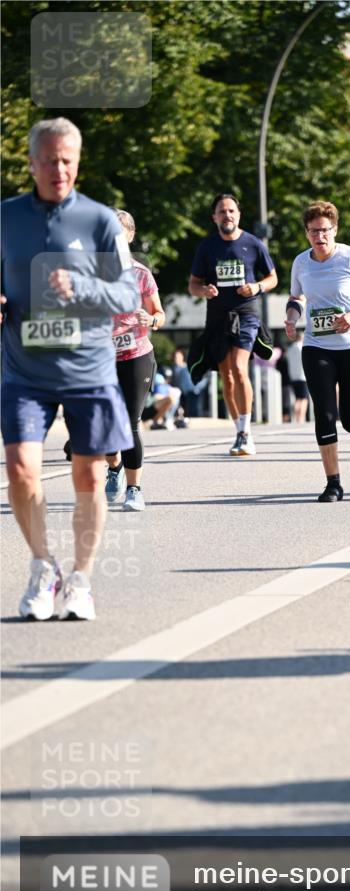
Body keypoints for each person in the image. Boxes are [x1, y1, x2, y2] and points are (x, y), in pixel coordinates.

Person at [1, 117, 139, 620]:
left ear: (77, 163)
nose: (58, 169)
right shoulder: (6, 217)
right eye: (49, 161)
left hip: (89, 369)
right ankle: (44, 567)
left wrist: (81, 286)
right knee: (21, 470)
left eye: (67, 161)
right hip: (25, 369)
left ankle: (80, 580)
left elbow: (128, 294)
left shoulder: (100, 221)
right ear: (32, 163)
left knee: (89, 473)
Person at [284, 201, 350, 502]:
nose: (320, 236)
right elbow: (297, 297)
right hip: (317, 346)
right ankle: (333, 483)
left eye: (325, 230)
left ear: (335, 230)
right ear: (306, 233)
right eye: (313, 231)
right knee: (324, 414)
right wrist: (291, 318)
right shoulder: (301, 263)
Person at [188, 193, 277, 456]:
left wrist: (257, 287)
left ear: (238, 215)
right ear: (214, 217)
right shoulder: (207, 247)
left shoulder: (253, 243)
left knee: (239, 368)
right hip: (217, 317)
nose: (227, 215)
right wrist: (204, 291)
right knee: (226, 377)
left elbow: (272, 278)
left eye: (231, 211)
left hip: (246, 314)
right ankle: (238, 431)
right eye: (222, 211)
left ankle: (247, 433)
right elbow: (193, 284)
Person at [103, 210, 165, 512]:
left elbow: (160, 315)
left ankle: (134, 489)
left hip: (136, 355)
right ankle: (114, 466)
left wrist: (150, 319)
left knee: (129, 423)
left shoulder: (141, 274)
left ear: (130, 235)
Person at [285, 332, 310, 422]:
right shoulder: (302, 348)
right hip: (303, 376)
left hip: (293, 376)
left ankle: (297, 418)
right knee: (304, 399)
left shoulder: (290, 348)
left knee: (297, 399)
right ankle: (301, 418)